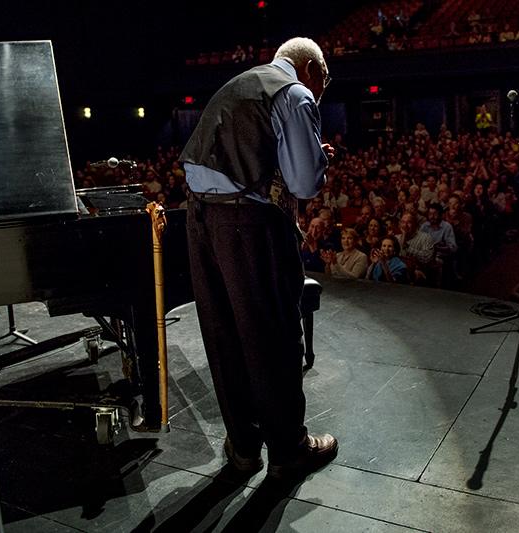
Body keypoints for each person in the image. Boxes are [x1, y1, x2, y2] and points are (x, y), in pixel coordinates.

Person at [179, 37, 338, 480]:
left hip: (199, 220)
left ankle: (244, 447)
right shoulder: (295, 93)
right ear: (311, 69)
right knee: (273, 335)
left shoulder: (237, 83)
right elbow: (305, 184)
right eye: (325, 79)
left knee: (223, 332)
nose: (323, 88)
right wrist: (318, 165)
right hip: (249, 227)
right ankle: (289, 450)